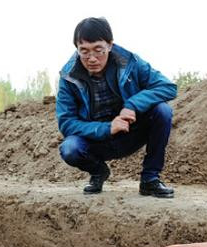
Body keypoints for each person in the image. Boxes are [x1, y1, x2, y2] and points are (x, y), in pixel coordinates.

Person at [56, 17, 177, 198]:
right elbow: (66, 123)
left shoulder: (130, 63)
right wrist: (107, 128)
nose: (92, 58)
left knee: (162, 111)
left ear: (110, 45)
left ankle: (150, 180)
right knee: (70, 148)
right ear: (77, 49)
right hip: (96, 141)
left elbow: (168, 87)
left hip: (131, 131)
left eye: (98, 50)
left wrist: (132, 105)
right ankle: (98, 172)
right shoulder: (68, 77)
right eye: (84, 52)